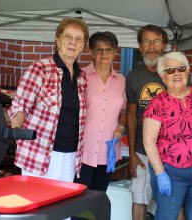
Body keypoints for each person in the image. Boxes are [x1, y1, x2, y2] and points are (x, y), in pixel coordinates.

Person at [143, 51, 192, 220]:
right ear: (163, 77)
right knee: (167, 216)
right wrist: (160, 173)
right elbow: (148, 141)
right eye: (170, 70)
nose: (177, 73)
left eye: (181, 68)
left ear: (187, 71)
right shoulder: (158, 103)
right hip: (171, 173)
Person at [8, 17, 88, 182]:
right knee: (36, 205)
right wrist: (17, 123)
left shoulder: (82, 77)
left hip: (70, 155)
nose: (73, 42)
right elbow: (19, 106)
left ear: (83, 46)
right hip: (39, 153)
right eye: (68, 37)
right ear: (58, 40)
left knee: (61, 205)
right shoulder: (40, 68)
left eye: (78, 39)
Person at [74, 31, 127, 191]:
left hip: (107, 151)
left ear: (115, 52)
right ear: (91, 52)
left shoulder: (122, 80)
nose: (104, 54)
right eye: (99, 49)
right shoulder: (80, 76)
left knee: (97, 199)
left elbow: (124, 111)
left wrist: (122, 126)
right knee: (76, 201)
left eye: (109, 49)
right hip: (82, 150)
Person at [125, 24, 168, 220]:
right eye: (147, 42)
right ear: (140, 47)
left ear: (164, 46)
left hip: (170, 153)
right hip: (142, 152)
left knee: (172, 203)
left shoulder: (175, 72)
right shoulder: (134, 76)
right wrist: (132, 153)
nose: (151, 46)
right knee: (139, 200)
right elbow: (131, 116)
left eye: (156, 41)